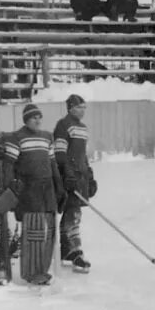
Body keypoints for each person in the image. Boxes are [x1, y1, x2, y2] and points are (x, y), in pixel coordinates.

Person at [1, 104, 65, 285]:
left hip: (48, 189)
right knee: (33, 232)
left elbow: (53, 165)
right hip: (29, 189)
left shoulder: (47, 137)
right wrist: (12, 186)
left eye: (39, 117)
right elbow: (9, 165)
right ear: (26, 120)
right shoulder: (17, 138)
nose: (37, 120)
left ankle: (42, 269)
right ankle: (31, 272)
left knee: (50, 230)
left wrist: (59, 186)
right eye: (33, 117)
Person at [53, 94, 97, 273]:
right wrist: (66, 174)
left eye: (84, 107)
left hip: (81, 177)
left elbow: (82, 155)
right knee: (73, 214)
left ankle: (66, 250)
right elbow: (60, 153)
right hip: (69, 177)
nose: (82, 110)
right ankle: (75, 251)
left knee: (73, 213)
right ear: (70, 108)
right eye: (79, 107)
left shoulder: (83, 128)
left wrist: (90, 175)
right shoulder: (63, 125)